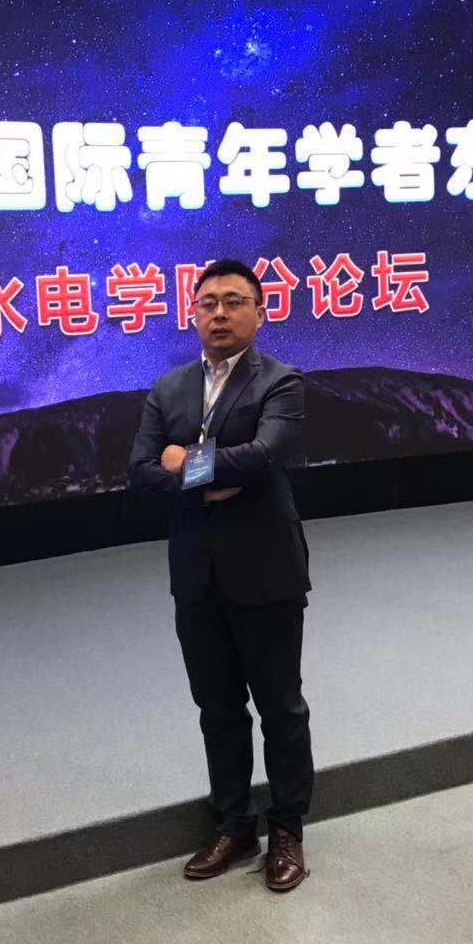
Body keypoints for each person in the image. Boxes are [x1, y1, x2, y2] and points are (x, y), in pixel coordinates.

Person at [127, 258, 313, 892]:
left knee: (281, 708)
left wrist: (184, 466)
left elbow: (265, 455)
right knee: (218, 709)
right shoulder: (168, 388)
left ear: (260, 312)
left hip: (267, 570)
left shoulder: (281, 383)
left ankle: (287, 829)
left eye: (234, 301)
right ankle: (234, 824)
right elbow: (139, 473)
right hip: (196, 576)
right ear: (193, 314)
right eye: (208, 303)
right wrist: (209, 479)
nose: (220, 314)